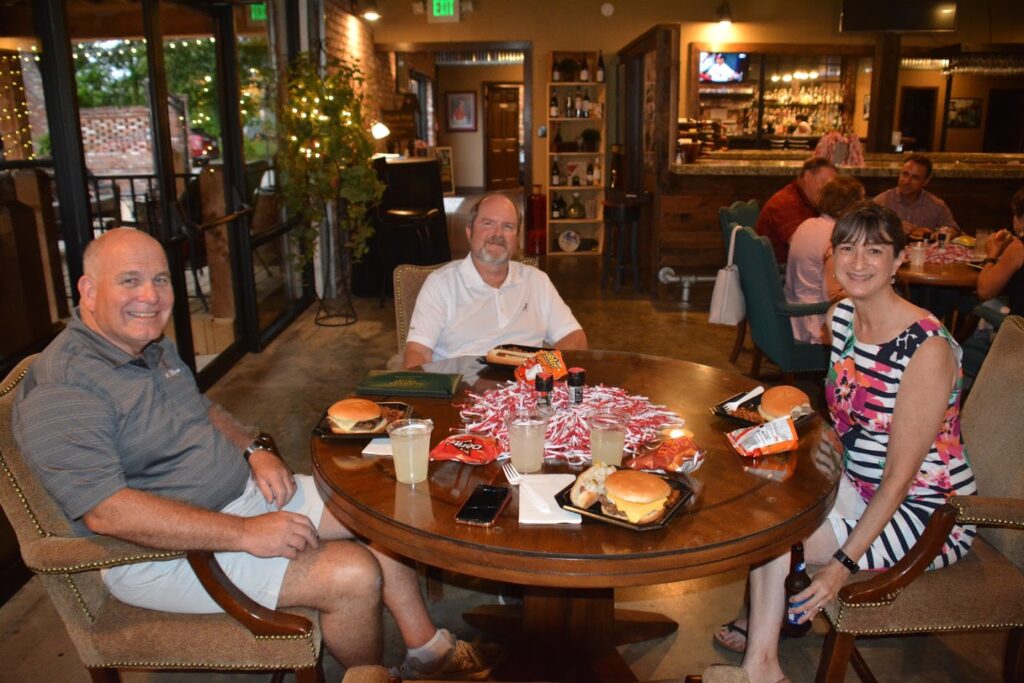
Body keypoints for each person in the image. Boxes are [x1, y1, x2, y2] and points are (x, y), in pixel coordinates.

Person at [13, 228, 495, 680]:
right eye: (130, 281)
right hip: (162, 552)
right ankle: (369, 673)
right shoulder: (65, 386)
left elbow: (203, 409)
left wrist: (254, 448)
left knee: (383, 508)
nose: (150, 296)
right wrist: (244, 533)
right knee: (353, 573)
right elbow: (106, 511)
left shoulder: (149, 346)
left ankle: (428, 651)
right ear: (88, 291)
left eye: (160, 279)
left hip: (240, 499)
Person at [716, 203, 977, 682]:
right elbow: (849, 406)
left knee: (778, 536)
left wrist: (841, 565)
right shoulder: (841, 317)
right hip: (856, 480)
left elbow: (900, 478)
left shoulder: (926, 349)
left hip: (926, 510)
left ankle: (762, 668)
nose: (857, 262)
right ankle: (761, 632)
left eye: (875, 250)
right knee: (765, 509)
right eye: (847, 248)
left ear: (899, 260)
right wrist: (833, 438)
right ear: (831, 256)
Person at [404, 194, 587, 368]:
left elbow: (575, 338)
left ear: (517, 239)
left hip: (528, 384)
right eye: (488, 224)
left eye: (507, 226)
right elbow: (417, 352)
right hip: (462, 385)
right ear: (469, 231)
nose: (497, 234)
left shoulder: (537, 281)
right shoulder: (441, 284)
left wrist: (540, 372)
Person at [784, 175, 865, 343]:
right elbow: (833, 294)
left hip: (793, 315)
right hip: (817, 322)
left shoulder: (806, 224)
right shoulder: (836, 238)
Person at [755, 156, 837, 263]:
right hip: (780, 268)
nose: (828, 191)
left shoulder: (808, 200)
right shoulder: (786, 203)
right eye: (824, 183)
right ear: (807, 176)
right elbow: (803, 246)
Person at [874, 154, 958, 239]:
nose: (907, 181)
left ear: (925, 182)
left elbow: (954, 229)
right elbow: (868, 230)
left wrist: (933, 235)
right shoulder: (881, 202)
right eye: (905, 174)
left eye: (915, 177)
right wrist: (893, 228)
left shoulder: (936, 205)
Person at [976, 186, 1024, 314]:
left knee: (981, 308)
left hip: (1019, 325)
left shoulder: (1019, 248)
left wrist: (992, 254)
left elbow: (985, 291)